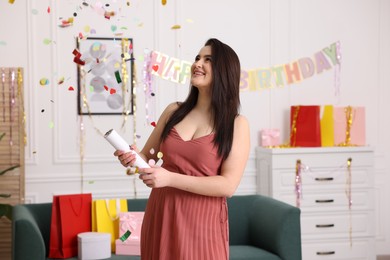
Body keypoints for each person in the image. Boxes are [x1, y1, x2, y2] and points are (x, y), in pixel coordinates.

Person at [114, 38, 250, 260]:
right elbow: (147, 158)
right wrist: (131, 157)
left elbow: (228, 185)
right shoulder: (173, 111)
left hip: (203, 221)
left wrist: (170, 179)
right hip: (162, 212)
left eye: (208, 60)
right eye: (197, 58)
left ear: (225, 71)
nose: (198, 63)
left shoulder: (237, 124)